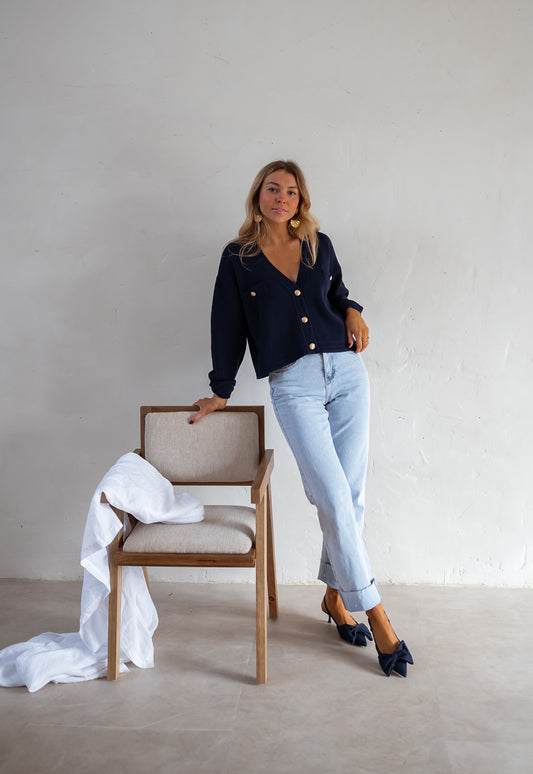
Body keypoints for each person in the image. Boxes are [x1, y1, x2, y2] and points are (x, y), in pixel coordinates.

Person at [191, 160, 413, 677]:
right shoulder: (238, 257)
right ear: (258, 195)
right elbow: (227, 323)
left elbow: (336, 294)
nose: (281, 198)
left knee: (350, 495)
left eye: (291, 192)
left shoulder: (318, 244)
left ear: (300, 200)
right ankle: (377, 614)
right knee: (331, 494)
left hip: (347, 372)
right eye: (273, 189)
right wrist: (221, 390)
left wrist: (353, 309)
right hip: (294, 384)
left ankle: (335, 598)